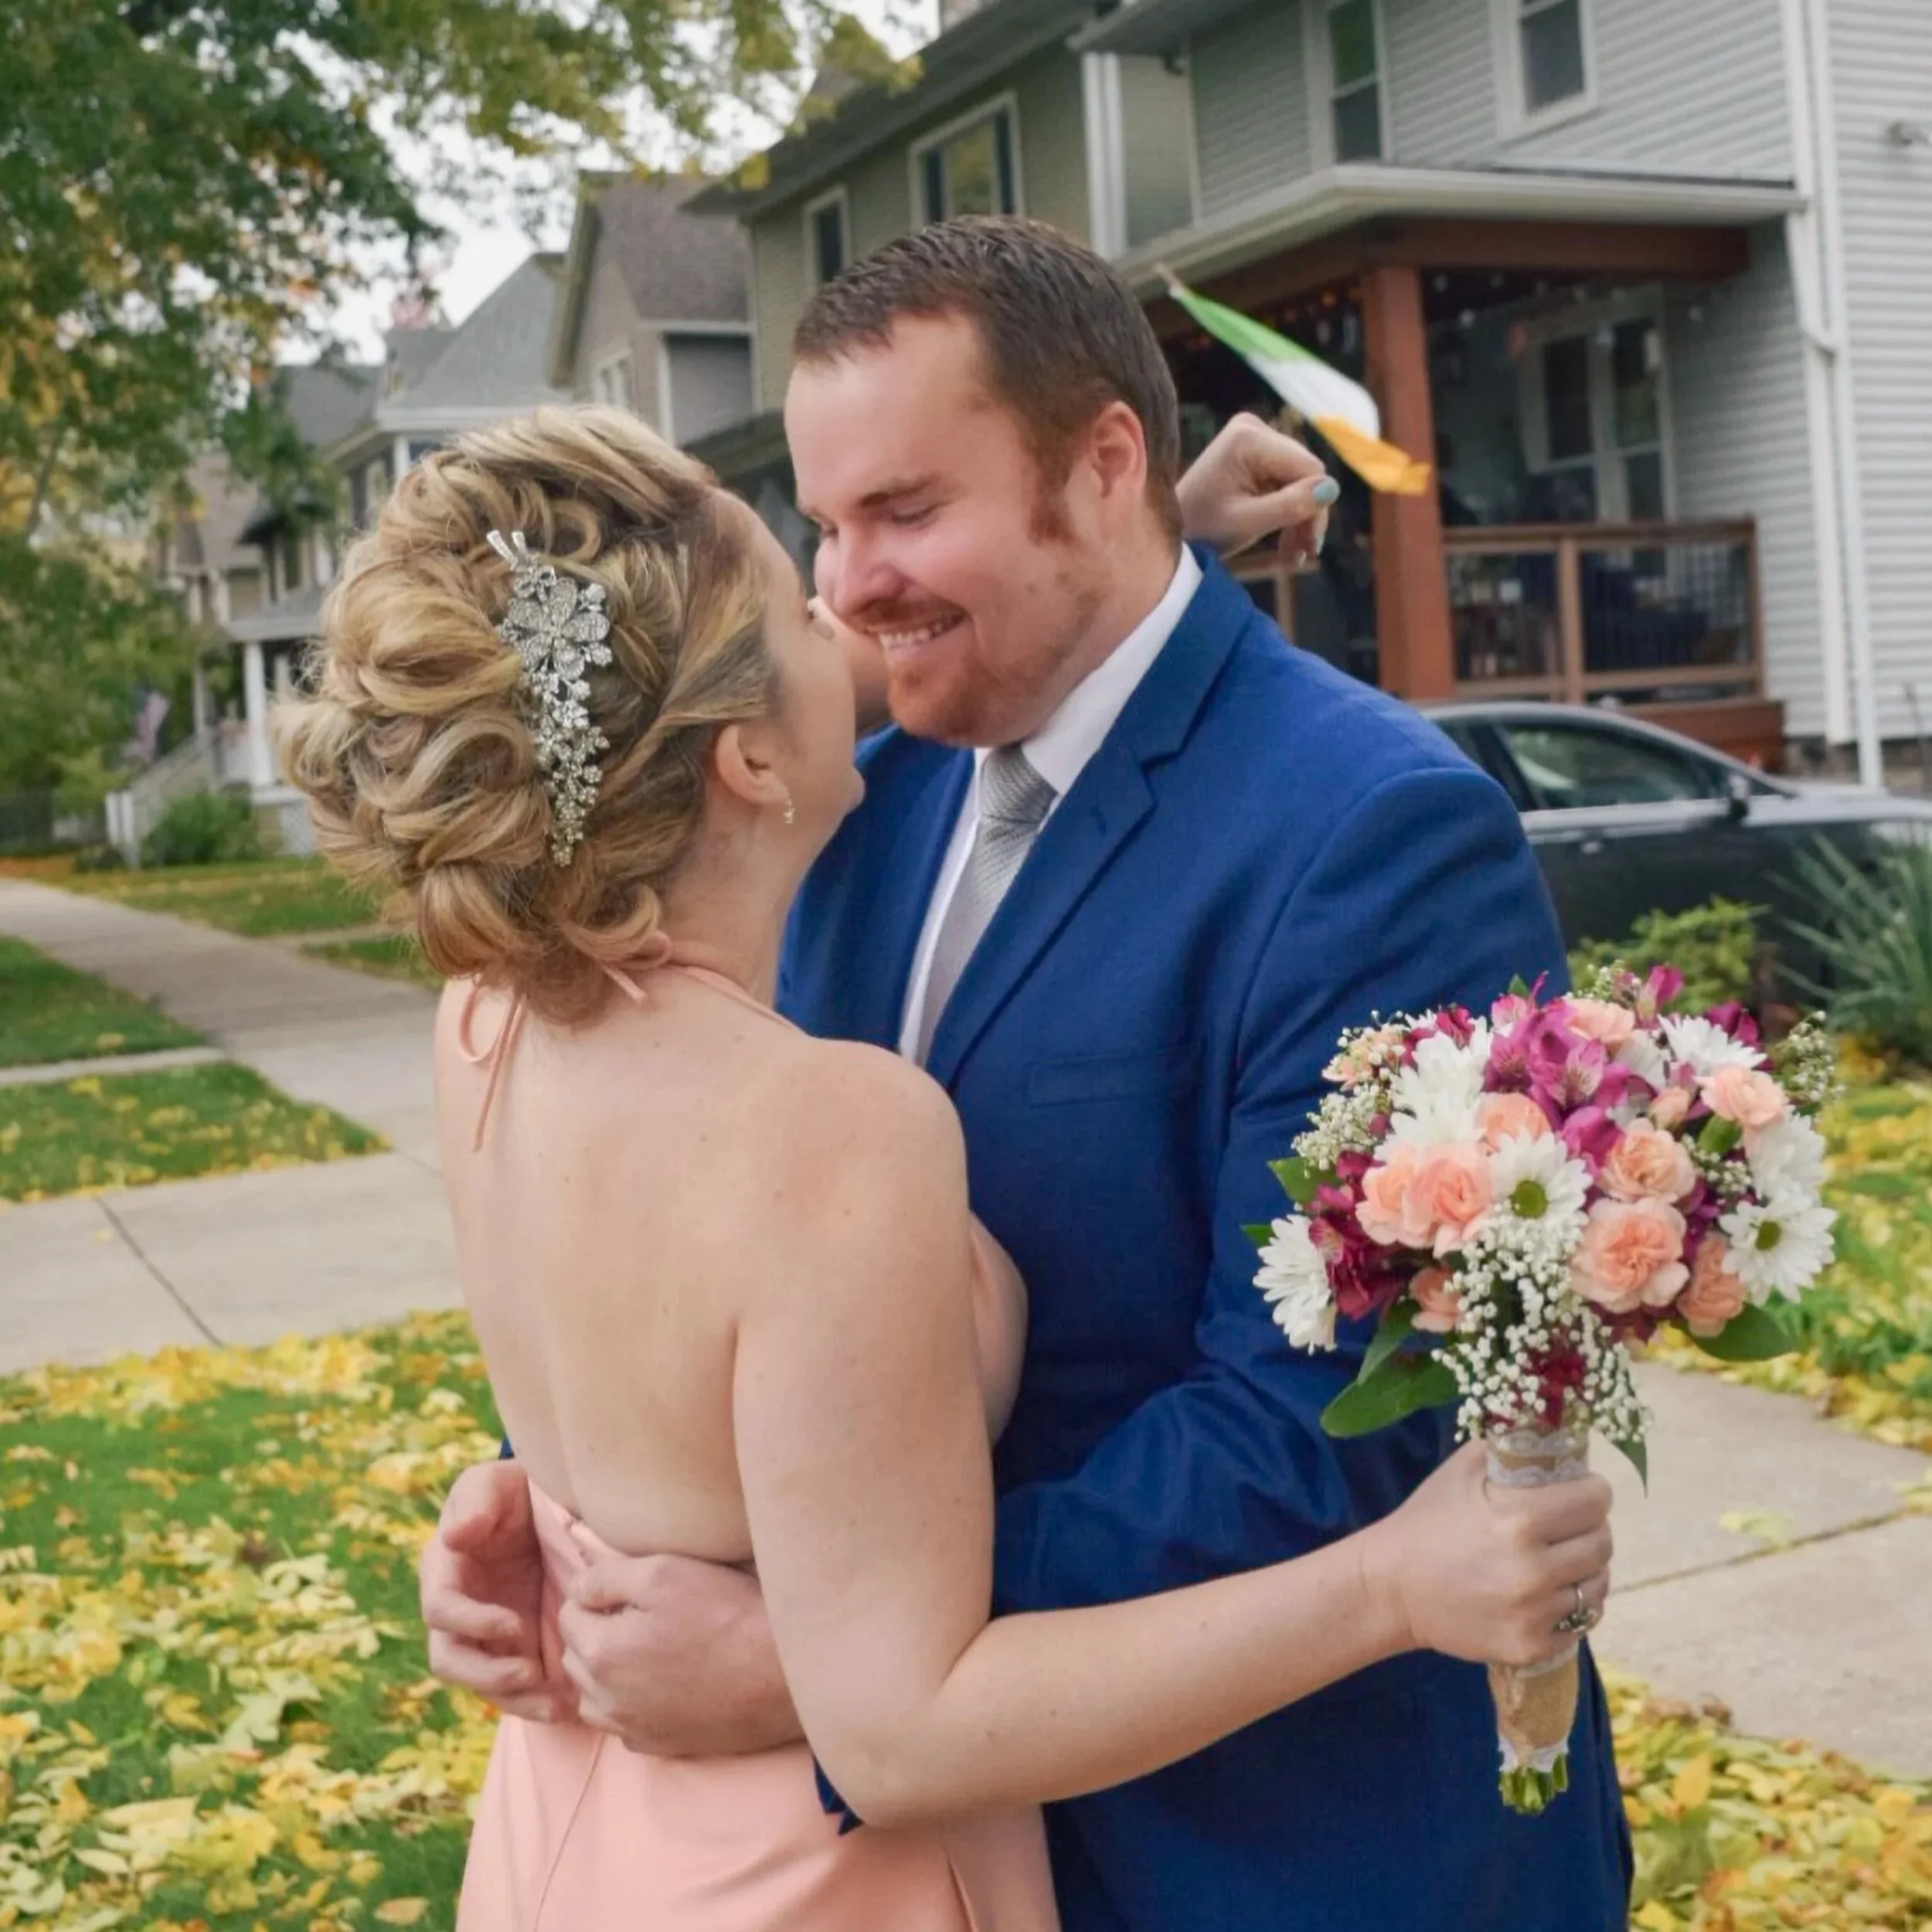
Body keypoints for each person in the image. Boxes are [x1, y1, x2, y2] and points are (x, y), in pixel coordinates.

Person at [413, 216, 1632, 1932]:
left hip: (1275, 1844)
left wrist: (815, 1648)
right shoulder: (833, 787)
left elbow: (1316, 1427)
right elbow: (706, 1203)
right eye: (823, 526)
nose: (844, 584)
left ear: (1103, 466)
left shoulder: (1375, 834)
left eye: (905, 510)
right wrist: (588, 1492)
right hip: (929, 1847)